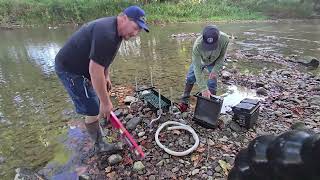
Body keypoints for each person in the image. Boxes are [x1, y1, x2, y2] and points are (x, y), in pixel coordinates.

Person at [55, 6, 149, 154]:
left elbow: (105, 59)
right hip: (70, 70)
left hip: (84, 66)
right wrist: (106, 103)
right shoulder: (106, 34)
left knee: (98, 94)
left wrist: (106, 76)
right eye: (135, 28)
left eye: (139, 31)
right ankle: (99, 145)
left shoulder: (117, 31)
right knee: (92, 108)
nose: (136, 34)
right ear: (124, 18)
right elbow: (94, 70)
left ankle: (99, 120)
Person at [178, 25, 229, 112]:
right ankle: (184, 100)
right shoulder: (197, 45)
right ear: (202, 37)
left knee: (212, 82)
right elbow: (197, 68)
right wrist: (203, 88)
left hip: (214, 61)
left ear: (219, 37)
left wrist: (215, 70)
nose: (209, 49)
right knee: (190, 77)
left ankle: (209, 105)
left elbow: (222, 57)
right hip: (200, 61)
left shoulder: (225, 39)